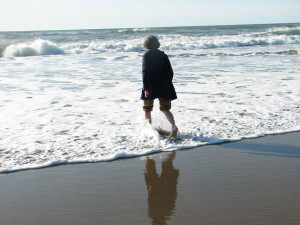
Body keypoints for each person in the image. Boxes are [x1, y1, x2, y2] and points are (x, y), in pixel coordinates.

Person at [141, 35, 178, 136]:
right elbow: (170, 72)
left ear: (146, 44)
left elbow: (145, 72)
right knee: (165, 109)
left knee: (147, 109)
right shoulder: (163, 55)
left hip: (150, 85)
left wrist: (146, 88)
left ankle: (149, 130)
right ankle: (173, 126)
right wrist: (168, 83)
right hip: (163, 85)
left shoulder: (146, 56)